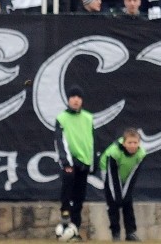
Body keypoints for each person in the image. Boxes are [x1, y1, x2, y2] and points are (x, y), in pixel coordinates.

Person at [54, 85, 95, 242]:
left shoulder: (88, 118)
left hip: (84, 163)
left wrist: (92, 162)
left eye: (79, 97)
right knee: (67, 194)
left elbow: (91, 140)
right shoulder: (62, 118)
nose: (76, 100)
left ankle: (74, 230)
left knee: (79, 198)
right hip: (70, 163)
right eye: (73, 97)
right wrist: (66, 162)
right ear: (68, 100)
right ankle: (65, 221)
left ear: (82, 100)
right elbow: (60, 141)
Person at [100, 128, 146, 242]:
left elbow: (133, 176)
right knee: (113, 203)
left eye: (135, 143)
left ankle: (130, 233)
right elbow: (112, 177)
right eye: (129, 143)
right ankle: (115, 233)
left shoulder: (141, 154)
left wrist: (125, 194)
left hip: (126, 175)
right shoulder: (114, 153)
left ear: (139, 143)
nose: (132, 145)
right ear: (124, 143)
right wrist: (118, 197)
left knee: (127, 202)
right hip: (108, 173)